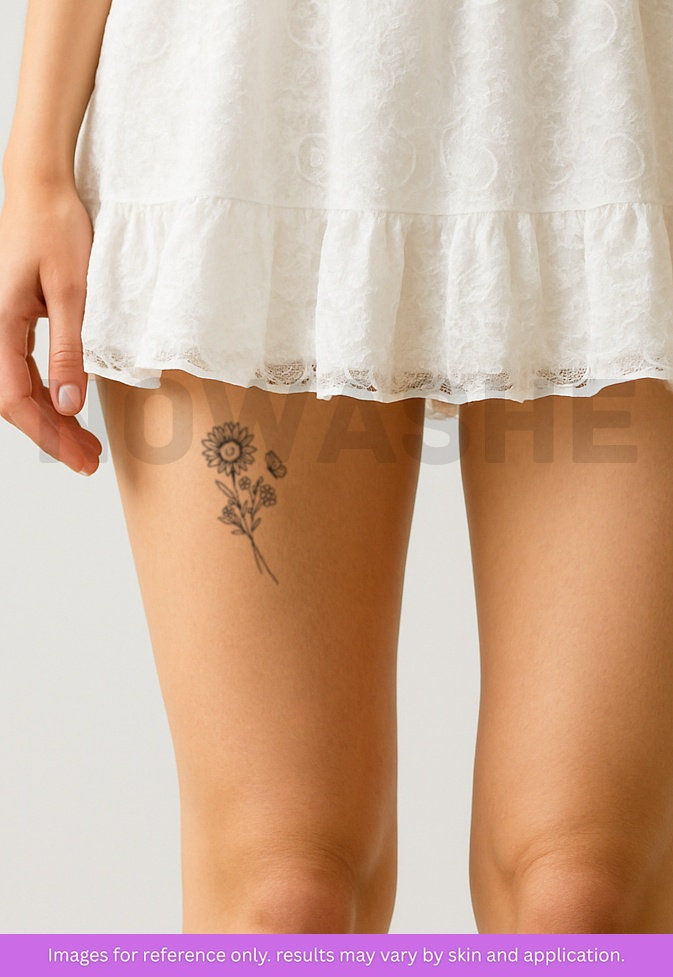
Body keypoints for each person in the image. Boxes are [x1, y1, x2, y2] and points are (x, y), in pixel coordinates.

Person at [2, 0, 673, 935]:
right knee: (283, 895)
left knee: (583, 898)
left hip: (602, 98)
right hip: (245, 115)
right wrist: (34, 157)